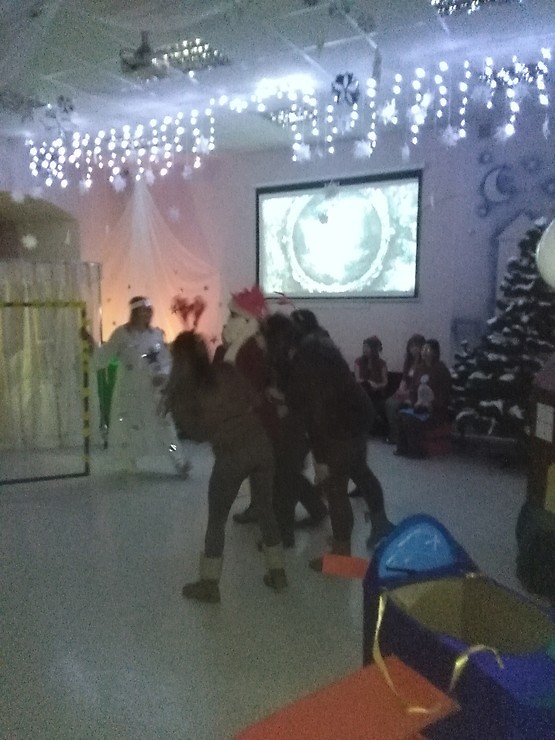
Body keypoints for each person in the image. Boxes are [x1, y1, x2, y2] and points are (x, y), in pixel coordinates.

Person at [165, 330, 287, 603]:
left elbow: (197, 435)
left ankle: (209, 584)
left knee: (217, 520)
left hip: (231, 456)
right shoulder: (226, 371)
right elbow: (255, 399)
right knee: (266, 510)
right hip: (261, 445)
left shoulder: (184, 393)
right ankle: (278, 572)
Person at [266, 315, 394, 566]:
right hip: (358, 415)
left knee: (335, 488)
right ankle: (381, 524)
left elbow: (315, 408)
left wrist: (322, 457)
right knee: (360, 471)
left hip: (339, 425)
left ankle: (341, 553)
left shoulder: (304, 357)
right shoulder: (320, 345)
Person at [223, 288, 327, 536]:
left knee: (281, 472)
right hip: (270, 419)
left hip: (276, 421)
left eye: (233, 316)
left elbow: (261, 382)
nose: (228, 321)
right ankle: (306, 510)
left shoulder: (259, 347)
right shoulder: (253, 344)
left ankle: (282, 528)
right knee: (280, 471)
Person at [90, 296, 190, 475]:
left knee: (165, 425)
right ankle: (129, 460)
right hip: (129, 389)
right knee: (128, 425)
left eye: (149, 311)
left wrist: (163, 375)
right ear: (135, 313)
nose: (148, 315)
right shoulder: (121, 334)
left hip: (152, 389)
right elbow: (105, 356)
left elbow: (165, 360)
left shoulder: (156, 335)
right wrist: (92, 345)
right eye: (144, 311)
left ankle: (179, 460)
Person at [395, 338, 452, 458]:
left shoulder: (442, 370)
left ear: (435, 352)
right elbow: (413, 390)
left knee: (411, 419)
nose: (424, 352)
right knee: (401, 413)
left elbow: (444, 395)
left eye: (427, 349)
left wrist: (431, 404)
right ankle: (403, 448)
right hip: (419, 405)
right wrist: (414, 402)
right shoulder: (419, 368)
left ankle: (417, 451)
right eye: (423, 349)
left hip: (435, 410)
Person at [385, 333, 425, 445]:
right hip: (406, 391)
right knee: (388, 403)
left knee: (394, 406)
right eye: (411, 346)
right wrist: (400, 391)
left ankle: (397, 437)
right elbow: (403, 379)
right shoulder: (408, 362)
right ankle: (394, 434)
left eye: (416, 346)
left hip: (416, 394)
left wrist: (406, 394)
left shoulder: (423, 364)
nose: (414, 349)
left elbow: (419, 385)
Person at [354, 336, 388, 434]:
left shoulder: (382, 363)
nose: (364, 349)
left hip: (377, 393)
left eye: (367, 347)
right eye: (364, 346)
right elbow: (357, 379)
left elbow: (385, 382)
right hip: (362, 392)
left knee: (378, 403)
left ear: (374, 349)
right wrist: (368, 382)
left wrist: (377, 386)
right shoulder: (358, 361)